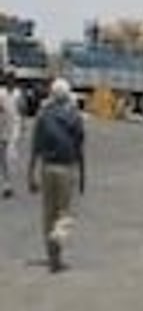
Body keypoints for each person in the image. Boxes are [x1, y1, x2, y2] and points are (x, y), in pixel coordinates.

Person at [28, 78, 85, 273]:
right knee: (65, 213)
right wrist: (82, 174)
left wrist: (31, 174)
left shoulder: (43, 116)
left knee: (49, 214)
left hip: (47, 169)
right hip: (66, 168)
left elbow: (35, 147)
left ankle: (54, 259)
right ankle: (57, 240)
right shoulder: (74, 117)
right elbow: (79, 147)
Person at [0, 72, 22, 198]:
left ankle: (9, 185)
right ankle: (6, 182)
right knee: (3, 157)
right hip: (2, 127)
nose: (10, 82)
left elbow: (22, 108)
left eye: (12, 80)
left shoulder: (18, 93)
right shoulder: (1, 93)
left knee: (10, 154)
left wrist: (23, 124)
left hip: (14, 126)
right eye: (8, 80)